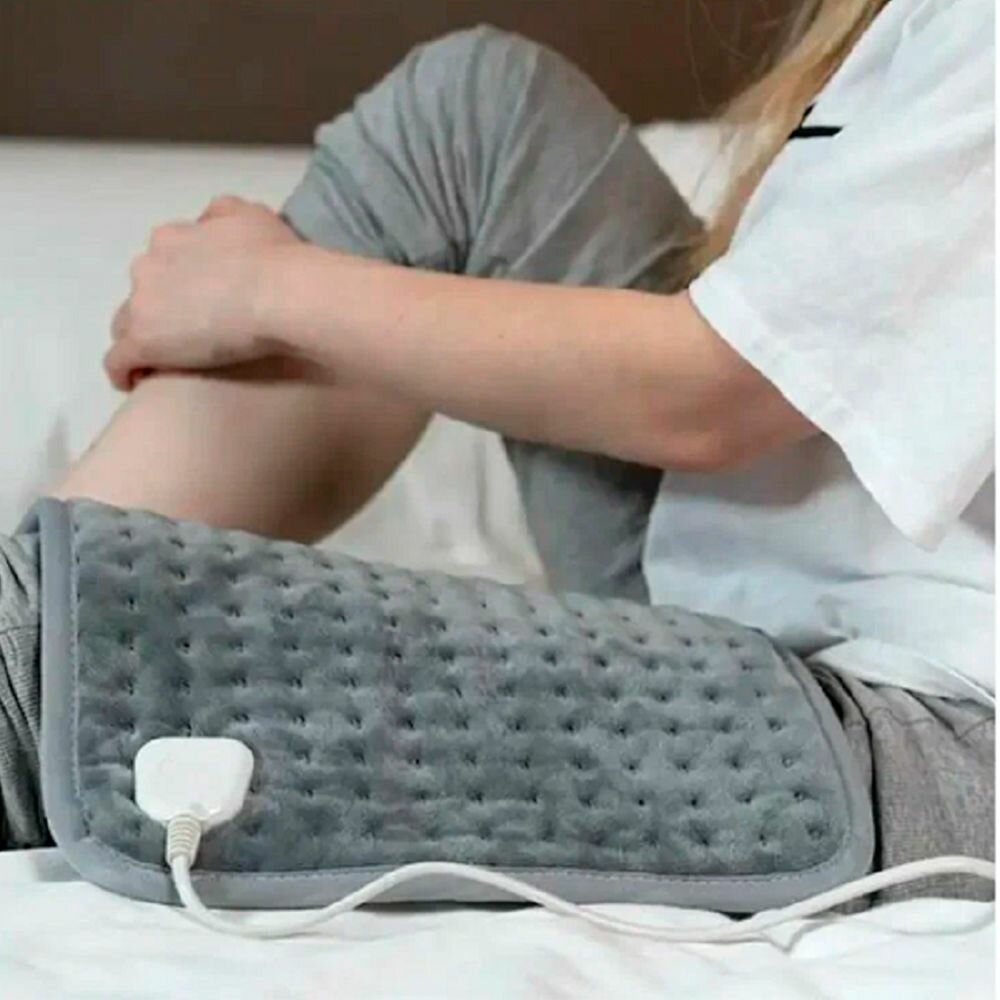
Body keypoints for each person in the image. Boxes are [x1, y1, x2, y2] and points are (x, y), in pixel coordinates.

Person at [0, 0, 993, 907]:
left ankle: (29, 662)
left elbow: (718, 396)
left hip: (923, 728)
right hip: (756, 562)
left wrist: (261, 289)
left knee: (224, 674)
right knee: (477, 114)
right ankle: (32, 631)